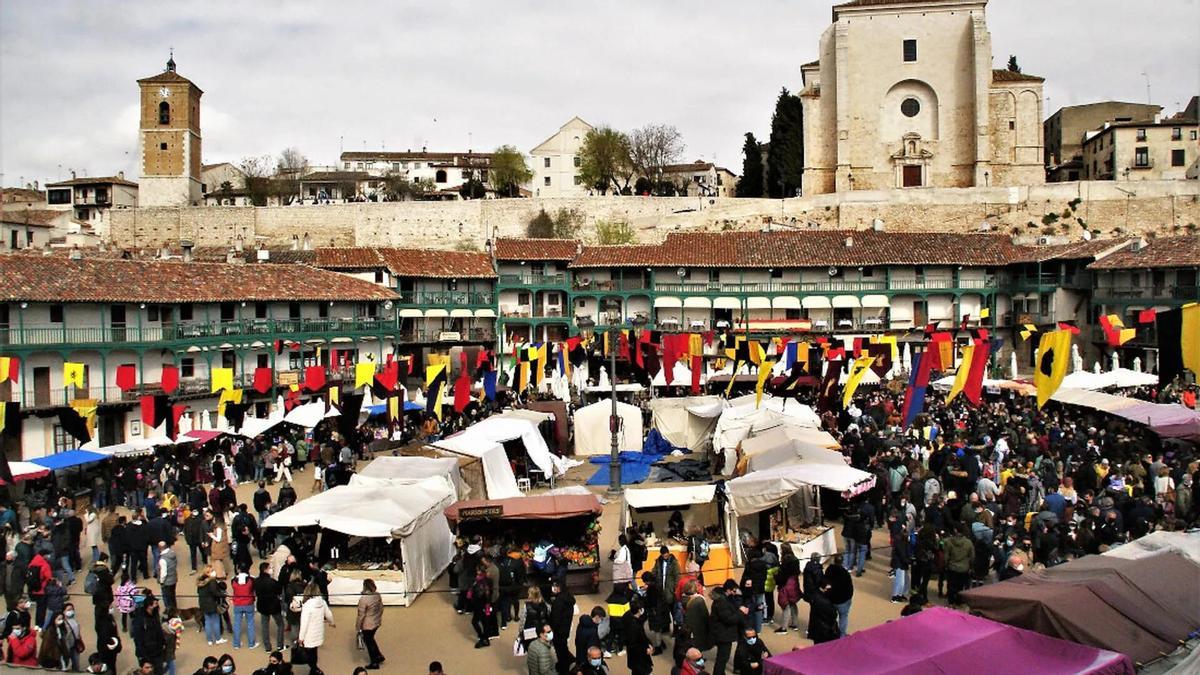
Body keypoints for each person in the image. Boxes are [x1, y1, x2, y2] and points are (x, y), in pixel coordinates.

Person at [710, 581, 746, 675]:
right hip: (723, 634)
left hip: (721, 633)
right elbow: (729, 619)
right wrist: (741, 612)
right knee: (722, 658)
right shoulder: (722, 602)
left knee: (722, 658)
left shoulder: (722, 599)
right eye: (734, 591)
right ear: (728, 590)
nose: (735, 593)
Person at [297, 581, 334, 675]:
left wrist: (301, 637)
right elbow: (329, 614)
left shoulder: (307, 605)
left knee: (309, 653)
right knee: (314, 651)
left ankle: (314, 669)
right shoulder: (322, 602)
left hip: (309, 634)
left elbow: (304, 623)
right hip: (318, 632)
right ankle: (314, 669)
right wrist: (331, 622)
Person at [252, 562, 284, 654]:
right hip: (274, 606)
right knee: (280, 624)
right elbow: (279, 590)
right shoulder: (272, 582)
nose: (271, 569)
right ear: (265, 569)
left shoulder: (256, 581)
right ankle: (280, 645)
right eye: (269, 568)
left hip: (262, 606)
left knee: (265, 626)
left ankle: (267, 647)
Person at [355, 578, 384, 669]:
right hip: (376, 621)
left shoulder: (363, 599)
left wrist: (358, 626)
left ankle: (374, 662)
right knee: (371, 639)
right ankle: (379, 655)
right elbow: (381, 608)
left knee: (368, 642)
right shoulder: (377, 595)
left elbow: (361, 615)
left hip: (367, 624)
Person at [548, 579, 576, 673]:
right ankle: (570, 660)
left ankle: (564, 668)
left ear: (558, 588)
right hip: (565, 628)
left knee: (560, 651)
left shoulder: (559, 601)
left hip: (558, 631)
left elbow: (555, 619)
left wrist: (551, 628)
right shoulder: (568, 598)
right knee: (563, 647)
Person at [824, 555, 854, 638]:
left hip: (831, 599)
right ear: (842, 562)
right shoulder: (845, 573)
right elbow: (850, 587)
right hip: (843, 600)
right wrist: (849, 597)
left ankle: (831, 634)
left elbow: (825, 582)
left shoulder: (829, 570)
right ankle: (842, 636)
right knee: (843, 617)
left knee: (830, 618)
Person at [197, 565, 227, 646]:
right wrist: (223, 594)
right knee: (216, 621)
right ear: (208, 573)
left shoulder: (200, 581)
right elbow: (215, 592)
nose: (214, 572)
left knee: (207, 622)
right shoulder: (212, 581)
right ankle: (218, 639)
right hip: (212, 604)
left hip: (203, 603)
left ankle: (209, 640)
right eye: (212, 570)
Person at [774, 549, 801, 634]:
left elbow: (780, 579)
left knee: (786, 607)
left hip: (785, 588)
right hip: (794, 586)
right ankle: (795, 624)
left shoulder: (784, 570)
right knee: (793, 604)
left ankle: (783, 628)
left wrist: (776, 576)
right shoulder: (795, 569)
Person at [230, 564, 257, 649]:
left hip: (237, 603)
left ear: (238, 569)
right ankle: (251, 644)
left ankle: (236, 644)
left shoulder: (233, 579)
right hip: (249, 603)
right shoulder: (252, 579)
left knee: (237, 624)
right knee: (250, 623)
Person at [623, 601, 653, 675]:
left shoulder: (628, 617)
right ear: (639, 610)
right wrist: (646, 649)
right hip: (639, 657)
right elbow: (634, 643)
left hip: (634, 657)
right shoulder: (635, 626)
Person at [467, 566, 493, 649]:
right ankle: (485, 639)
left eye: (478, 571)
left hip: (481, 605)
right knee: (484, 623)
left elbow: (486, 595)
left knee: (476, 622)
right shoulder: (480, 580)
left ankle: (483, 638)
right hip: (480, 605)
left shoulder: (482, 582)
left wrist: (487, 607)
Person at [519, 586, 551, 652]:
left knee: (531, 648)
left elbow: (522, 621)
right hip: (542, 630)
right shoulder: (546, 605)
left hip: (529, 630)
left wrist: (521, 632)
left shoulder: (526, 606)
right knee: (543, 648)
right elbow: (549, 617)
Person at [157, 541, 178, 614]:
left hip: (167, 582)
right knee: (172, 596)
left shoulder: (163, 559)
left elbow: (163, 573)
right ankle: (175, 609)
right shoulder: (172, 553)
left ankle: (169, 612)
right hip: (173, 578)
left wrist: (161, 581)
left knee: (167, 597)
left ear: (159, 548)